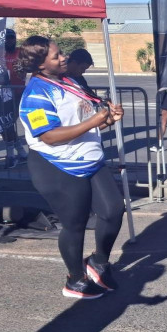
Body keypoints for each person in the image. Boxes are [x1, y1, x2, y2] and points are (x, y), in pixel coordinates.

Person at [16, 36, 125, 299]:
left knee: (113, 210)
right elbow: (49, 136)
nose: (64, 57)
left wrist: (108, 120)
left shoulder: (70, 81)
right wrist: (94, 121)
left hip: (90, 159)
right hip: (57, 166)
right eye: (56, 56)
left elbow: (83, 123)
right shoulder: (35, 94)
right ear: (40, 64)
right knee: (75, 224)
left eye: (61, 52)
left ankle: (98, 262)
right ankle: (75, 279)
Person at [1, 29, 28, 168]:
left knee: (7, 124)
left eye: (11, 37)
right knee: (4, 125)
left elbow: (29, 66)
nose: (9, 40)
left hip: (17, 94)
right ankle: (21, 154)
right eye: (6, 38)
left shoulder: (21, 52)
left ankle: (11, 156)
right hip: (1, 95)